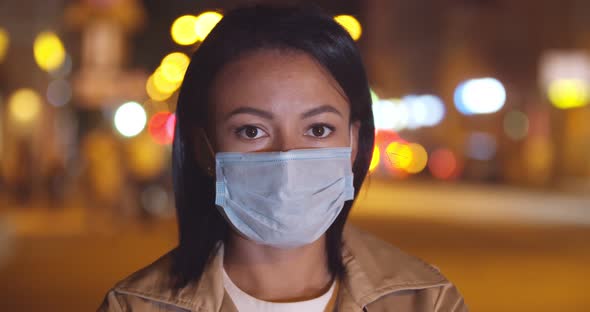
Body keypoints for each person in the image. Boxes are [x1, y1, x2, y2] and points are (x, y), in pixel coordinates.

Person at [98, 4, 467, 312]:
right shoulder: (136, 306)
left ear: (354, 142)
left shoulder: (426, 301)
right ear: (203, 148)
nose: (288, 158)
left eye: (318, 130)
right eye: (251, 131)